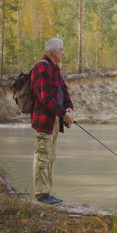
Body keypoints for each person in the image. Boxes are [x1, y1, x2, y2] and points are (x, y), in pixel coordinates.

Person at [30, 38, 75, 205]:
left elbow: (64, 90)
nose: (63, 52)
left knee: (50, 156)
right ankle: (41, 194)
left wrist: (69, 109)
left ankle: (46, 192)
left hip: (54, 120)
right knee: (42, 156)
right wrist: (64, 114)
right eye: (62, 49)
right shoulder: (42, 67)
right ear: (54, 51)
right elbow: (45, 98)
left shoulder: (54, 68)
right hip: (44, 122)